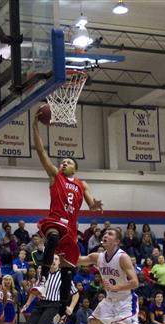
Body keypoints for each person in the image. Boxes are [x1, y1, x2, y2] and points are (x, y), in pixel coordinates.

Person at [32, 110, 103, 306]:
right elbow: (40, 152)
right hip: (55, 220)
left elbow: (90, 204)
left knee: (66, 276)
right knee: (53, 237)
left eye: (68, 162)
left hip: (71, 229)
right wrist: (35, 126)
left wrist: (95, 205)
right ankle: (43, 279)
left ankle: (61, 315)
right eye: (62, 161)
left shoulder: (82, 183)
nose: (63, 163)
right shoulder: (56, 176)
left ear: (75, 168)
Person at [75, 228, 146, 324]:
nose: (106, 235)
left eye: (110, 234)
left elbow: (135, 282)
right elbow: (78, 260)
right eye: (105, 233)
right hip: (109, 300)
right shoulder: (98, 257)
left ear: (117, 242)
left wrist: (117, 287)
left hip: (126, 300)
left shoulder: (123, 257)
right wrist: (61, 252)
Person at [22, 255, 79, 324]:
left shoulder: (64, 276)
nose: (53, 260)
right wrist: (27, 304)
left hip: (54, 305)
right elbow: (35, 291)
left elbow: (76, 293)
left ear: (59, 263)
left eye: (56, 259)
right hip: (40, 304)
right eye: (52, 258)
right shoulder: (43, 275)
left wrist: (71, 308)